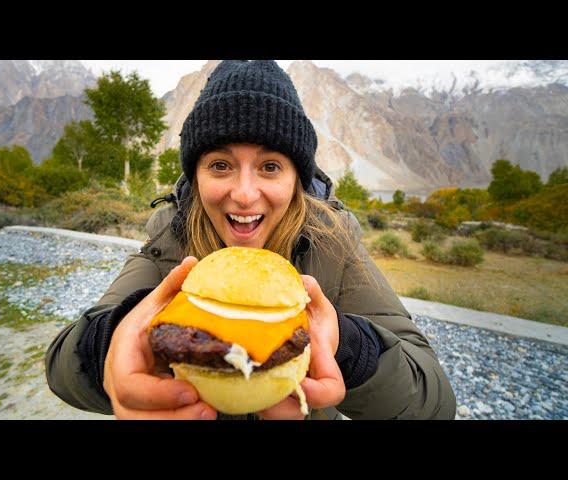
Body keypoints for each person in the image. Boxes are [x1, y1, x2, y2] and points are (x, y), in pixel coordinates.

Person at [45, 60, 457, 420]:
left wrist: (346, 345)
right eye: (221, 165)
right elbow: (62, 365)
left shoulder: (334, 240)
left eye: (270, 166)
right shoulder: (172, 233)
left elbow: (434, 402)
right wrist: (115, 341)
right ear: (196, 175)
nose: (243, 193)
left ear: (297, 178)